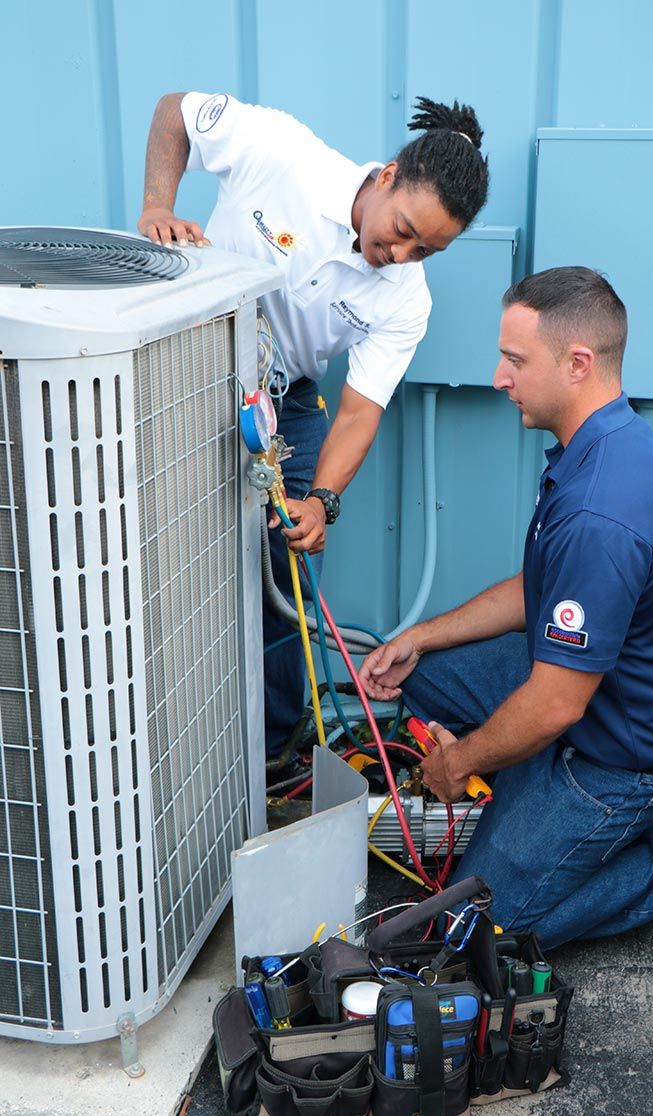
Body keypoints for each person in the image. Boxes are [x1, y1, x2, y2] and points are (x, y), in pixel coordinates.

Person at [359, 266, 653, 959]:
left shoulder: (603, 507)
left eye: (515, 360)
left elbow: (553, 707)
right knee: (421, 673)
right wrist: (419, 636)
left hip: (625, 752)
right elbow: (537, 589)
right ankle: (530, 798)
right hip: (586, 690)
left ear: (577, 364)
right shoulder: (600, 446)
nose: (498, 376)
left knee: (476, 932)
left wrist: (459, 765)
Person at [138, 91, 489, 764]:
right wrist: (157, 205)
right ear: (387, 174)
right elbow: (175, 110)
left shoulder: (405, 300)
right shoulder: (283, 154)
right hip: (186, 379)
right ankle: (165, 744)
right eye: (405, 227)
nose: (403, 252)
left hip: (287, 404)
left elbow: (360, 409)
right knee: (169, 554)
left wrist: (321, 500)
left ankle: (268, 758)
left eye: (428, 249)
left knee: (290, 577)